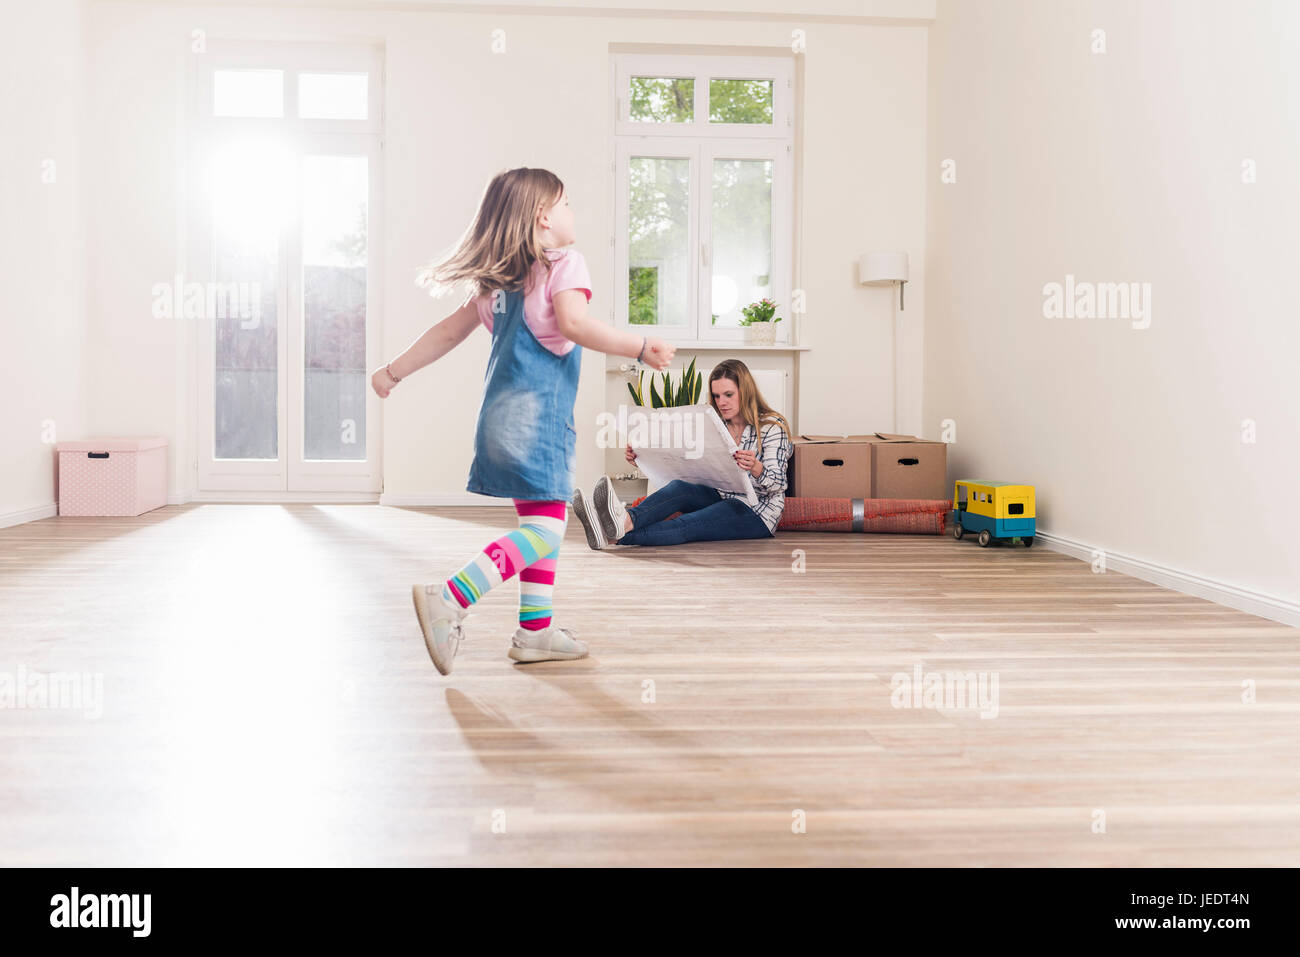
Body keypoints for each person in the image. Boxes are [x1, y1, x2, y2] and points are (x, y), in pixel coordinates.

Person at [371, 168, 674, 674]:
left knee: (541, 525)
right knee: (547, 533)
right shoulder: (563, 264)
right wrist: (640, 347)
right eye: (567, 203)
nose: (573, 212)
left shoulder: (498, 284)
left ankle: (535, 633)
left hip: (497, 424)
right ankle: (451, 596)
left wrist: (392, 371)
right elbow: (576, 324)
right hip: (538, 425)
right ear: (543, 216)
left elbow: (447, 333)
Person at [570, 358, 793, 548]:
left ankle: (611, 535)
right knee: (679, 488)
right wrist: (643, 458)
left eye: (728, 394)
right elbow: (685, 463)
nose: (721, 403)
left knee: (688, 524)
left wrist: (755, 467)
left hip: (756, 511)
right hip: (722, 493)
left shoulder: (772, 427)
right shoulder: (714, 423)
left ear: (745, 392)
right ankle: (624, 521)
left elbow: (778, 484)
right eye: (716, 396)